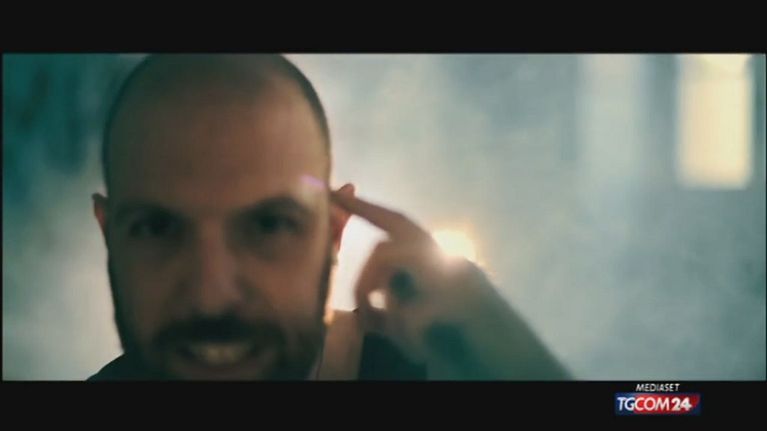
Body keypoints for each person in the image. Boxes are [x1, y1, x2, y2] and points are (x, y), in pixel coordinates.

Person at [88, 54, 569, 381]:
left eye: (270, 225)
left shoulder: (431, 369)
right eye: (156, 228)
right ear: (109, 234)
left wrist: (526, 371)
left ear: (334, 230)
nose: (211, 296)